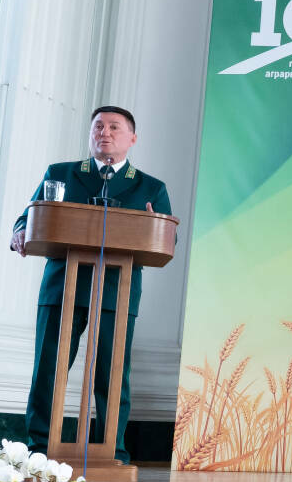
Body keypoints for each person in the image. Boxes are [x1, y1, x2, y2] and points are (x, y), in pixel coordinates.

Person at [11, 106, 173, 462]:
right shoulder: (61, 174)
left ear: (132, 138)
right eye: (98, 126)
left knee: (112, 376)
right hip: (63, 288)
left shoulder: (150, 188)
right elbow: (29, 216)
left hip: (117, 292)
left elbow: (166, 239)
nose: (105, 133)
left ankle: (111, 450)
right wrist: (20, 230)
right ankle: (39, 446)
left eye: (115, 127)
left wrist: (153, 230)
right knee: (48, 370)